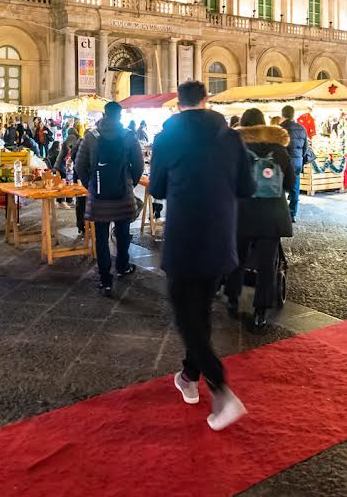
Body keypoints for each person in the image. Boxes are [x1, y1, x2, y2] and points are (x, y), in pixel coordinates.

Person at [148, 81, 253, 431]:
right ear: (206, 101)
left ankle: (221, 388)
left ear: (178, 104)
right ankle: (189, 375)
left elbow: (159, 188)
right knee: (202, 309)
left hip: (184, 235)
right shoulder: (232, 137)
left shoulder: (166, 138)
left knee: (184, 314)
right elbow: (247, 188)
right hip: (220, 236)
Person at [224, 109, 294, 331]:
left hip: (243, 213)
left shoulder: (235, 149)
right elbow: (291, 182)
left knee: (237, 258)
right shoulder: (279, 150)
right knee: (266, 265)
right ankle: (260, 312)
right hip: (272, 215)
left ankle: (233, 298)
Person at [74, 101, 144, 296]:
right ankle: (122, 266)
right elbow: (138, 165)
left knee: (101, 238)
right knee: (122, 234)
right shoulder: (129, 136)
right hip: (123, 195)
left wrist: (91, 185)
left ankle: (105, 280)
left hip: (99, 198)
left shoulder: (91, 136)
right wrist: (129, 183)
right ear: (120, 116)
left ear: (104, 114)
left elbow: (79, 166)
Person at [278, 104, 311, 223]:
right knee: (295, 188)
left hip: (282, 162)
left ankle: (281, 212)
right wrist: (299, 158)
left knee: (279, 187)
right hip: (297, 162)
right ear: (293, 115)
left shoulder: (279, 128)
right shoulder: (302, 128)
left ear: (282, 115)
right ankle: (292, 214)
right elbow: (306, 148)